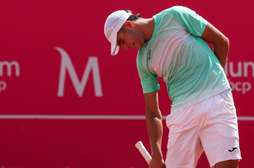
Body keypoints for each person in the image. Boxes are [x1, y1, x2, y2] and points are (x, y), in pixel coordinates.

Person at [104, 6, 242, 168]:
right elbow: (152, 112)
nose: (126, 48)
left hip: (217, 102)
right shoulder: (142, 61)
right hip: (182, 115)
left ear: (129, 25)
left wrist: (215, 83)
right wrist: (156, 155)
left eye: (121, 41)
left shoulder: (176, 15)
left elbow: (221, 42)